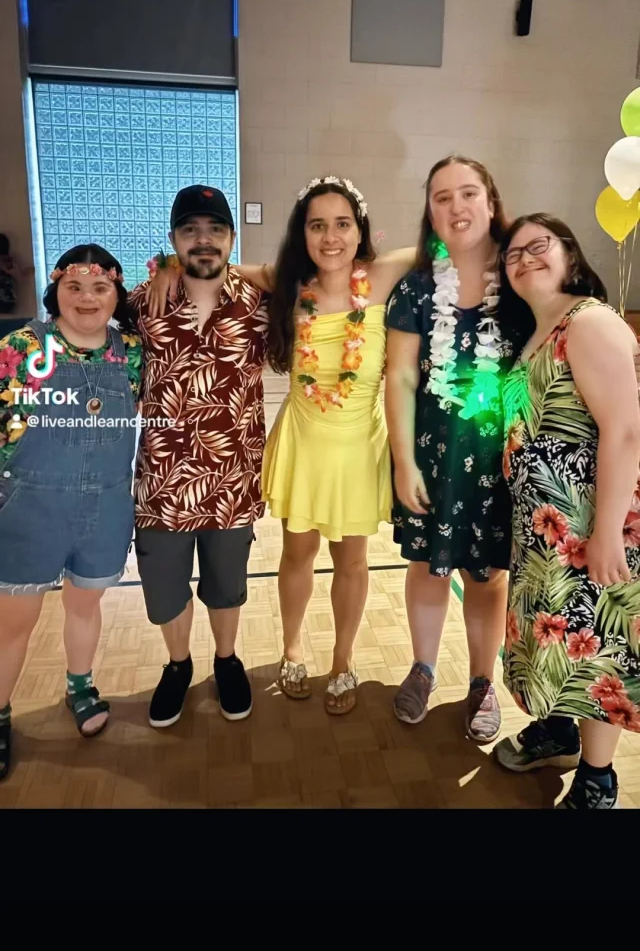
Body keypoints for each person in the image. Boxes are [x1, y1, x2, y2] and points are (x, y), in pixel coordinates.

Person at [149, 175, 417, 715]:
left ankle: (343, 659)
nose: (331, 236)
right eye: (317, 225)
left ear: (360, 229)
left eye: (343, 223)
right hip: (304, 440)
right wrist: (171, 265)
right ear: (302, 233)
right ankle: (293, 648)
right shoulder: (289, 282)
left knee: (354, 560)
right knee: (297, 553)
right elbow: (226, 267)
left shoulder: (383, 276)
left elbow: (440, 247)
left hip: (359, 444)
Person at [493, 213, 640, 810]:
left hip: (590, 525)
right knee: (551, 641)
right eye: (513, 253)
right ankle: (557, 732)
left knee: (596, 646)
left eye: (539, 246)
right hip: (542, 532)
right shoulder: (534, 330)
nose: (525, 258)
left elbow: (625, 431)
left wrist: (606, 532)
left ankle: (598, 778)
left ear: (570, 255)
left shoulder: (591, 320)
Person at [384, 155, 514, 742]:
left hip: (501, 457)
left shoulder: (520, 280)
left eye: (468, 194)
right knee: (427, 565)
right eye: (442, 197)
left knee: (487, 575)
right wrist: (403, 460)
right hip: (434, 450)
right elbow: (402, 376)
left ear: (491, 202)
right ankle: (424, 666)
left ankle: (483, 683)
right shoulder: (414, 287)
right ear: (430, 211)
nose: (456, 207)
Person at [0, 245, 142, 781]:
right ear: (55, 290)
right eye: (75, 287)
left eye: (101, 288)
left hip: (104, 504)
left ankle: (80, 686)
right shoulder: (22, 347)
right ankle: (0, 712)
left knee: (85, 605)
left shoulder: (130, 352)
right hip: (30, 506)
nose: (87, 298)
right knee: (14, 623)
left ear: (116, 294)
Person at [130, 185, 269, 729]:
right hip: (162, 483)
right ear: (172, 240)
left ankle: (227, 660)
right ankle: (178, 665)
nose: (203, 240)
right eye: (190, 231)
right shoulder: (143, 303)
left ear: (232, 238)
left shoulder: (259, 304)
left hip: (233, 478)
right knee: (165, 590)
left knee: (226, 585)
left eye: (215, 229)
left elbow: (308, 275)